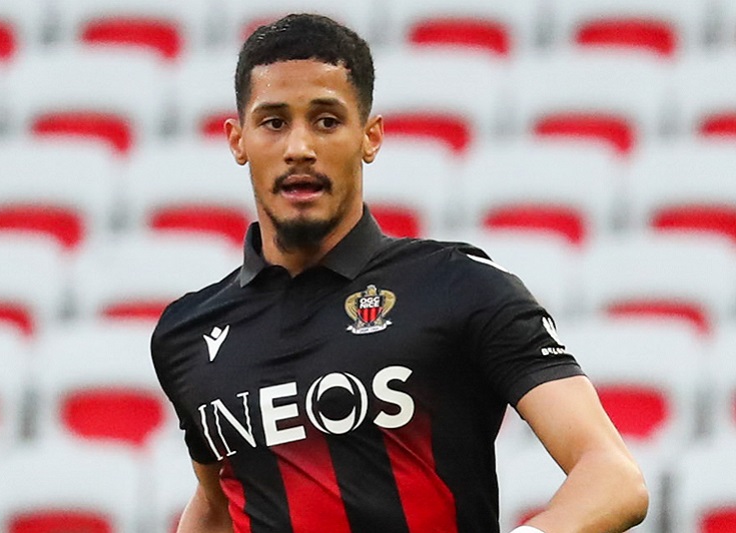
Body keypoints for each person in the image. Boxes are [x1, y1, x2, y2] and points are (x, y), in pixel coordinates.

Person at [151, 13, 649, 533]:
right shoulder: (186, 334)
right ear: (238, 140)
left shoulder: (460, 286)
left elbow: (613, 477)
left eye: (326, 121)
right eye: (274, 122)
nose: (299, 148)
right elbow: (218, 504)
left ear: (370, 137)